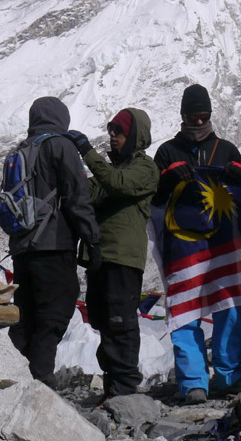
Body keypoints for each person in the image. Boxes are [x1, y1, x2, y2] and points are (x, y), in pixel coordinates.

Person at [154, 83, 241, 405]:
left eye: (203, 115)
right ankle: (193, 381)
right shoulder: (166, 152)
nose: (198, 122)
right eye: (193, 116)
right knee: (183, 311)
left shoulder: (227, 150)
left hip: (223, 241)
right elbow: (153, 200)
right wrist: (166, 178)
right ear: (182, 116)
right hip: (181, 245)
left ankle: (230, 375)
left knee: (228, 307)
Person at [7, 97, 102, 389]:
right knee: (56, 308)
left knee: (27, 311)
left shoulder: (20, 150)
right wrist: (92, 238)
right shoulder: (61, 145)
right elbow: (77, 196)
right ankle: (40, 376)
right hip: (54, 243)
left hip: (22, 246)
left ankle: (15, 371)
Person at [66, 108, 158, 399]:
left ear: (134, 135)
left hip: (123, 258)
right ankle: (113, 385)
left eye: (119, 130)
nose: (113, 136)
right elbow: (86, 191)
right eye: (111, 130)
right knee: (103, 321)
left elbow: (120, 185)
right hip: (100, 258)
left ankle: (125, 386)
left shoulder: (144, 168)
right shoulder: (109, 171)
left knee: (121, 321)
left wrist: (86, 151)